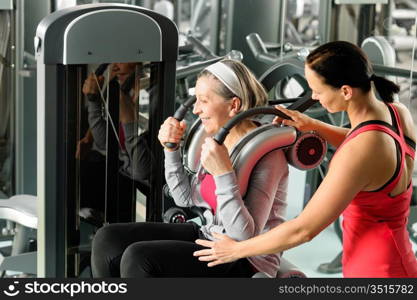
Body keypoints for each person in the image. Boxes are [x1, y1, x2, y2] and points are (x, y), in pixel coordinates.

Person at [194, 41, 417, 278]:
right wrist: (313, 125)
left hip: (375, 271)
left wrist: (236, 250)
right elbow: (367, 141)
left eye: (318, 91)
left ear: (345, 91)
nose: (313, 96)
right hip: (398, 259)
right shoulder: (396, 113)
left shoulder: (360, 152)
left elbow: (303, 230)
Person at [91, 59, 289, 277]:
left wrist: (223, 173)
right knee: (107, 238)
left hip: (245, 259)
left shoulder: (267, 155)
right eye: (196, 101)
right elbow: (184, 198)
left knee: (140, 257)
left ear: (234, 105)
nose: (195, 110)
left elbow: (244, 237)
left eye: (203, 101)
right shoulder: (217, 140)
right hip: (210, 235)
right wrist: (171, 149)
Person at [77, 62, 152, 219]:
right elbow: (104, 143)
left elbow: (141, 171)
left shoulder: (151, 96)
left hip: (139, 183)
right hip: (123, 169)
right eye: (114, 60)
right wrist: (94, 100)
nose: (115, 67)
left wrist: (129, 121)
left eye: (123, 58)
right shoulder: (123, 90)